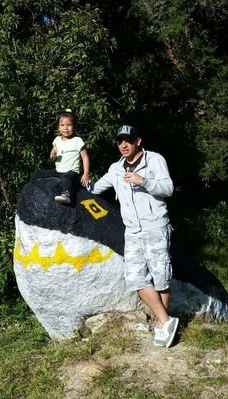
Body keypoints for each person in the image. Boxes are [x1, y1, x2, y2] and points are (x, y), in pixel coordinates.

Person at [90, 124, 178, 348]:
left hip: (155, 226)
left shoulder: (155, 160)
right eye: (119, 141)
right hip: (132, 231)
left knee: (161, 278)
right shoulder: (115, 169)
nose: (123, 145)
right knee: (136, 280)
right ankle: (166, 320)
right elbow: (95, 188)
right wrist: (71, 182)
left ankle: (161, 327)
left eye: (127, 140)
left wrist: (143, 181)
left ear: (138, 140)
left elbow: (168, 188)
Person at [49, 109, 90, 204]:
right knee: (38, 174)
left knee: (65, 179)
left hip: (72, 172)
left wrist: (85, 174)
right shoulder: (57, 140)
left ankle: (66, 195)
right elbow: (52, 157)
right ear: (58, 128)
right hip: (58, 170)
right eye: (62, 125)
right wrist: (53, 155)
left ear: (74, 127)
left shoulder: (77, 140)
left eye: (69, 125)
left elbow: (85, 157)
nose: (66, 128)